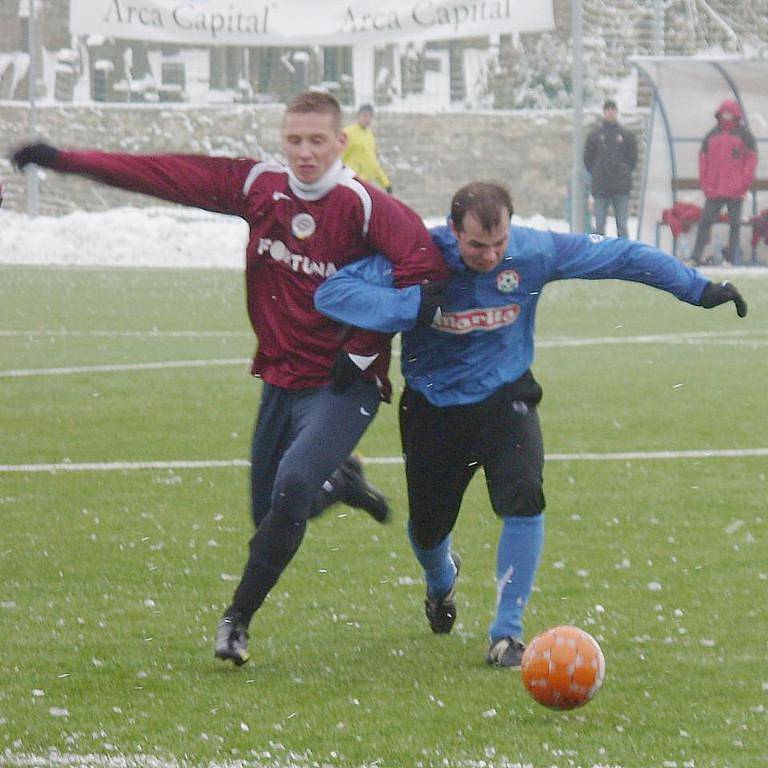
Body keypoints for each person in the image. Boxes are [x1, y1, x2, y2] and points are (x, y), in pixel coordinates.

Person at [10, 90, 448, 667]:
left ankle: (236, 620)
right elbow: (165, 174)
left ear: (341, 143)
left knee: (291, 487)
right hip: (279, 381)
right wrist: (62, 158)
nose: (305, 152)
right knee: (270, 512)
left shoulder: (363, 206)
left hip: (344, 386)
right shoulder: (259, 187)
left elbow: (426, 269)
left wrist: (366, 347)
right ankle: (340, 485)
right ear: (282, 139)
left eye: (318, 140)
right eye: (294, 140)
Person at [314, 181, 747, 669]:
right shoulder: (420, 253)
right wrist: (409, 305)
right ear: (453, 230)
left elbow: (622, 256)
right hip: (433, 408)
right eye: (477, 245)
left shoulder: (534, 251)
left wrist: (698, 289)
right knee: (428, 530)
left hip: (506, 398)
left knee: (524, 498)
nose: (490, 255)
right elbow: (333, 292)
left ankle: (507, 635)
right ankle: (441, 584)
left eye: (498, 244)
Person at [690, 99, 758, 266]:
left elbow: (751, 159)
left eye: (729, 113)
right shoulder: (711, 134)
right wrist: (705, 182)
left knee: (735, 225)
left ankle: (730, 259)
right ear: (720, 114)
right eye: (724, 113)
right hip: (714, 189)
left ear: (736, 115)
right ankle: (696, 256)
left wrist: (744, 182)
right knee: (705, 222)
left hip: (735, 190)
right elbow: (703, 159)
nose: (726, 116)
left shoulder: (745, 135)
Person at [583, 99, 638, 239]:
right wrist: (597, 173)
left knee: (622, 225)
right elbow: (587, 159)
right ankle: (600, 257)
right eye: (607, 109)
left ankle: (624, 257)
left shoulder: (626, 136)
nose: (610, 112)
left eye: (613, 109)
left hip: (620, 187)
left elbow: (633, 159)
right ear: (604, 112)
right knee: (599, 226)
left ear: (616, 112)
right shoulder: (595, 136)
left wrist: (624, 172)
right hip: (601, 187)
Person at [342, 104, 392, 193]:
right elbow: (336, 157)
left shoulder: (369, 134)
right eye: (364, 116)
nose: (367, 119)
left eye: (370, 116)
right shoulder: (347, 133)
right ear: (358, 116)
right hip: (350, 182)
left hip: (366, 185)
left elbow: (372, 161)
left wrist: (386, 183)